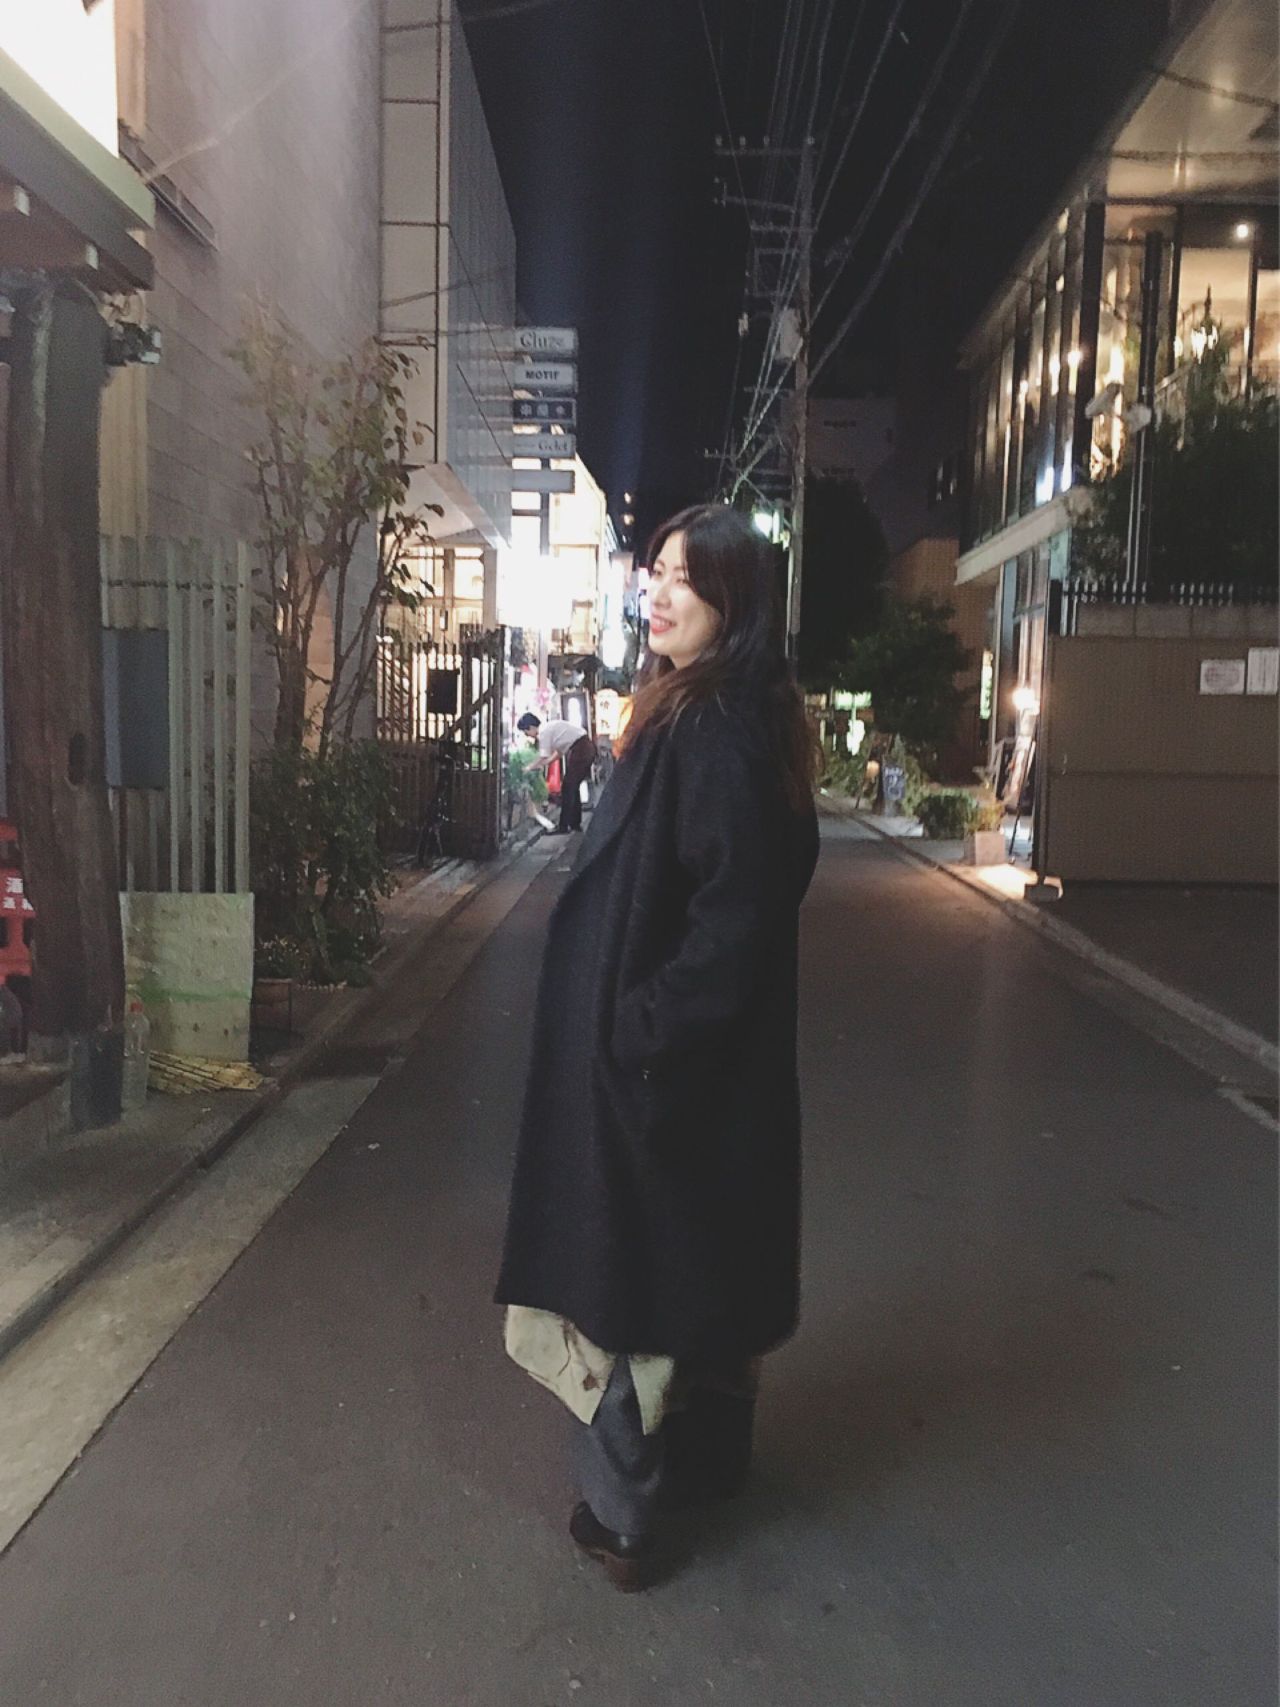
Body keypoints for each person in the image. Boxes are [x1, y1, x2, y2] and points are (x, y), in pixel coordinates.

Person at [496, 504, 820, 1591]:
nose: (659, 591)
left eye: (687, 577)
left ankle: (624, 1517)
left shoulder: (708, 727)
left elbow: (734, 921)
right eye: (657, 571)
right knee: (695, 1269)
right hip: (692, 1069)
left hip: (661, 1066)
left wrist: (638, 1029)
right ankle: (709, 1463)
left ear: (735, 602)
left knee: (618, 1290)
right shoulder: (722, 713)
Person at [517, 713, 597, 834]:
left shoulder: (543, 732)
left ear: (531, 727)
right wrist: (542, 764)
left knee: (568, 787)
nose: (528, 735)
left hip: (581, 750)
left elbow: (544, 756)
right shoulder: (549, 728)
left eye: (526, 732)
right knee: (572, 787)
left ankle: (564, 826)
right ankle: (574, 824)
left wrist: (529, 767)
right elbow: (558, 753)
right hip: (585, 748)